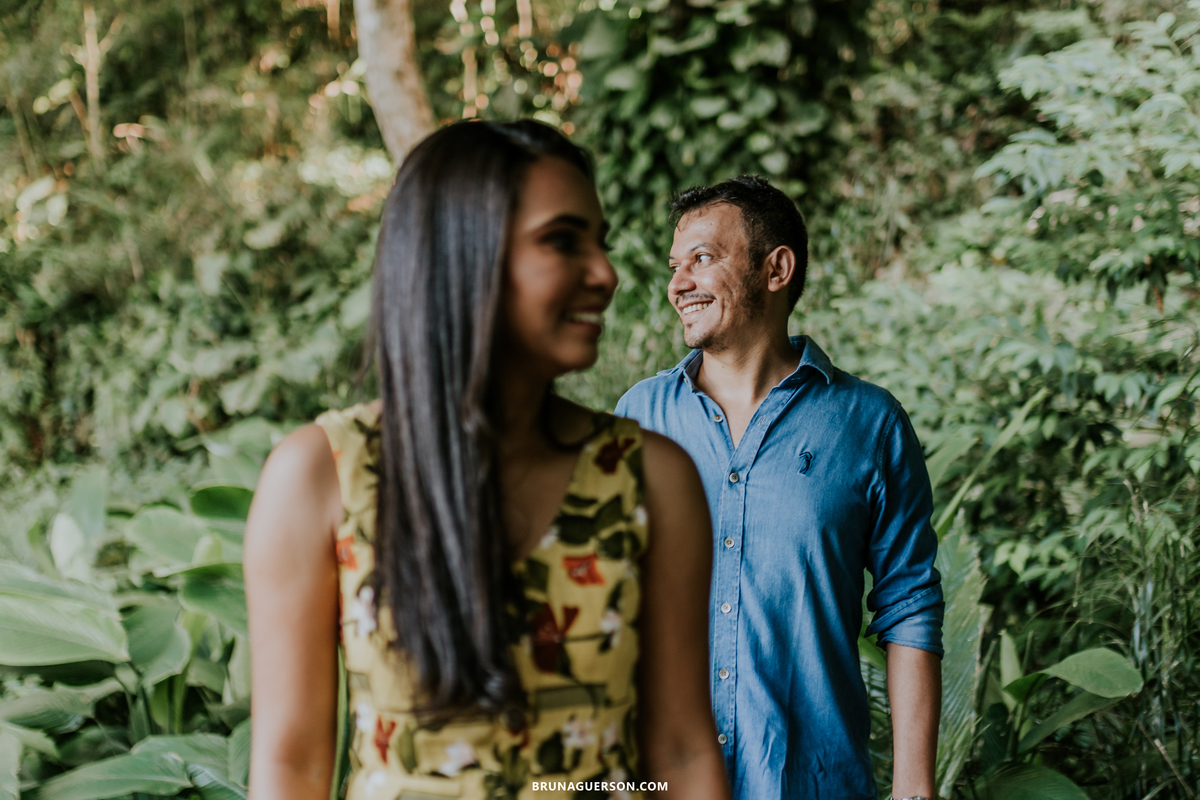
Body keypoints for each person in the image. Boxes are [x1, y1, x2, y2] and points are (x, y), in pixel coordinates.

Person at [243, 120, 731, 800]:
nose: (606, 273)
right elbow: (291, 766)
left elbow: (679, 752)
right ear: (460, 256)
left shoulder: (648, 478)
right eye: (562, 240)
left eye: (600, 242)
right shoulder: (323, 475)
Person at [615, 175, 944, 800]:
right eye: (675, 266)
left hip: (811, 783)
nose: (678, 284)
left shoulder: (869, 424)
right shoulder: (639, 417)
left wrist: (914, 790)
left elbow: (910, 607)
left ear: (777, 269)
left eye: (702, 258)